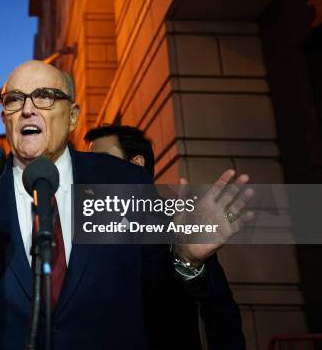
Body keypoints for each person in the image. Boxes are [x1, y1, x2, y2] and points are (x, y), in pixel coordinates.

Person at [0, 60, 251, 349]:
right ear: (6, 117)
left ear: (73, 115)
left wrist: (185, 256)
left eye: (45, 97)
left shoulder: (122, 182)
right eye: (14, 99)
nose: (28, 108)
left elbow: (160, 301)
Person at [85, 124, 246, 349]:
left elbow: (220, 312)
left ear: (136, 165)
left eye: (101, 162)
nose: (89, 173)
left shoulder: (179, 224)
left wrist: (185, 259)